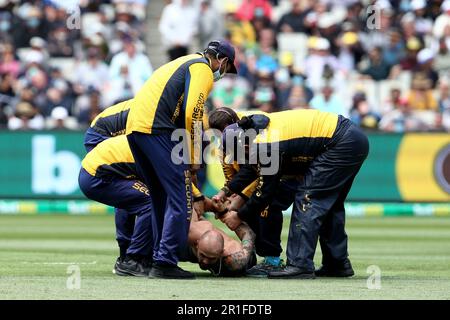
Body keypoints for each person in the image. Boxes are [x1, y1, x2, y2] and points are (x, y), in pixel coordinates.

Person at [124, 40, 238, 279]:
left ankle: (155, 257)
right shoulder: (203, 69)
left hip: (135, 129)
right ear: (223, 61)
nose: (223, 74)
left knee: (159, 197)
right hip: (155, 129)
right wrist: (194, 157)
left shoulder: (182, 61)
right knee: (180, 199)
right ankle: (165, 261)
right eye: (226, 69)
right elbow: (192, 113)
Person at [219, 109, 369, 279]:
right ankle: (337, 263)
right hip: (350, 139)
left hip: (341, 143)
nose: (242, 160)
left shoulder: (265, 145)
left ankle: (300, 264)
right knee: (329, 205)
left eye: (241, 154)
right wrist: (226, 191)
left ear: (244, 145)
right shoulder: (256, 133)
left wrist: (238, 215)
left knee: (307, 198)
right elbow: (251, 169)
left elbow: (265, 192)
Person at [208, 107, 301, 277]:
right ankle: (253, 254)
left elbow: (262, 176)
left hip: (283, 176)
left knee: (266, 206)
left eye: (224, 131)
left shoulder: (258, 134)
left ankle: (272, 260)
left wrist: (241, 198)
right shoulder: (225, 146)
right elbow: (232, 177)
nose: (222, 137)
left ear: (234, 125)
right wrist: (226, 195)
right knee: (245, 210)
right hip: (253, 181)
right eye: (218, 133)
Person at [78, 135, 153, 277]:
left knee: (134, 201)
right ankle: (133, 260)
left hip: (98, 170)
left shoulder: (149, 139)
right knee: (150, 203)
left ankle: (126, 257)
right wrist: (197, 196)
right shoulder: (159, 148)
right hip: (98, 176)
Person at [182, 209, 257, 277]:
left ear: (222, 252)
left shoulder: (234, 260)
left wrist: (225, 214)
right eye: (203, 255)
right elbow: (191, 204)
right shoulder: (191, 233)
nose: (205, 261)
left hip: (245, 259)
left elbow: (249, 234)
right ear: (197, 244)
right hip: (194, 247)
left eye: (211, 258)